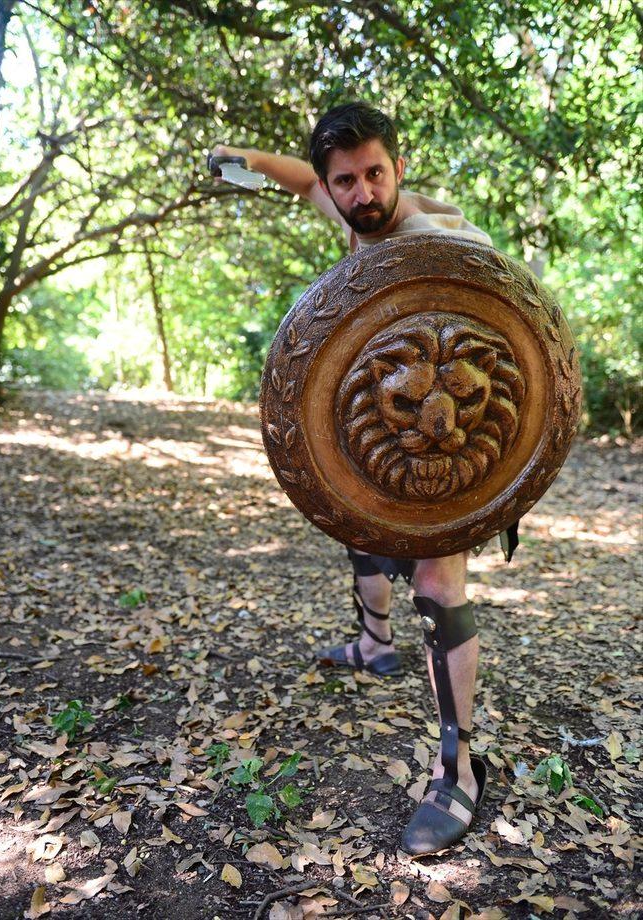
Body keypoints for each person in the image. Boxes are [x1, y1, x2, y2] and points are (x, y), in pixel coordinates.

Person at [212, 101, 517, 855]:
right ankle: (375, 645)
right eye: (345, 180)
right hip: (388, 426)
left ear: (398, 169)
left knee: (439, 589)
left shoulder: (440, 241)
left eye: (375, 174)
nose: (362, 192)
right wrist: (235, 157)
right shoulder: (352, 213)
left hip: (458, 444)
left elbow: (510, 333)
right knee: (351, 515)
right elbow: (293, 179)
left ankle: (459, 773)